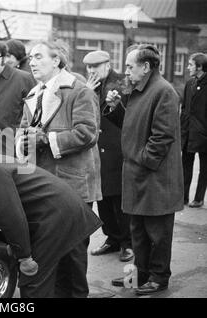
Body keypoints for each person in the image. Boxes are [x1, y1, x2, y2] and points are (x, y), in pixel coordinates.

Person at [0, 132, 102, 298]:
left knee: (34, 284)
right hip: (58, 213)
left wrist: (24, 256)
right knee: (65, 281)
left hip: (57, 217)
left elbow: (10, 216)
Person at [105, 45, 183, 295]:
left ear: (146, 67)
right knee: (137, 229)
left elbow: (162, 137)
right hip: (139, 173)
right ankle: (139, 274)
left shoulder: (163, 91)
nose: (126, 72)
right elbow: (129, 127)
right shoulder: (139, 90)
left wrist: (141, 159)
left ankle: (159, 277)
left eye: (130, 66)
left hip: (155, 176)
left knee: (157, 232)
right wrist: (116, 107)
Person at [16, 40, 102, 206]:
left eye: (38, 57)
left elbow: (87, 134)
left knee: (73, 232)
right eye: (31, 57)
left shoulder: (79, 91)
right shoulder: (34, 94)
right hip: (40, 183)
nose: (32, 62)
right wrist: (24, 142)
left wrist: (47, 139)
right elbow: (22, 131)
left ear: (56, 61)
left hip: (72, 185)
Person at [83, 50, 133, 262]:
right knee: (102, 199)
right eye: (89, 67)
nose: (92, 71)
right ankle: (111, 238)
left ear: (107, 64)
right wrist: (87, 93)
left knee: (119, 199)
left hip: (117, 149)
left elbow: (128, 114)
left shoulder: (121, 82)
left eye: (96, 66)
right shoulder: (89, 85)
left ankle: (127, 243)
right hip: (97, 151)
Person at [181, 52, 207, 208]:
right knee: (185, 166)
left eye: (191, 64)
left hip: (204, 135)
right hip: (188, 132)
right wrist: (181, 127)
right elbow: (184, 108)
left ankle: (198, 198)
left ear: (200, 67)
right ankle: (183, 197)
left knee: (204, 169)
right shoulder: (189, 84)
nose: (188, 67)